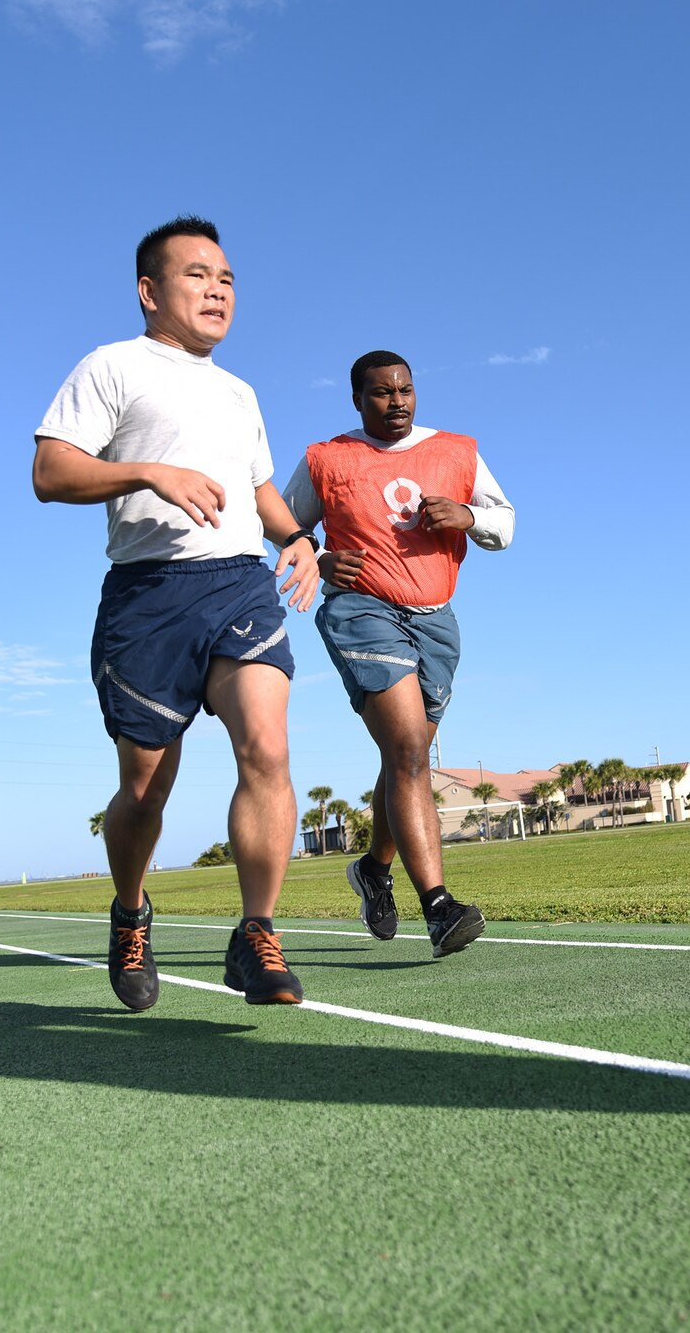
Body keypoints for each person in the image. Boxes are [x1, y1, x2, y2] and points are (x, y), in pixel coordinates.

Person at [32, 216, 320, 1011]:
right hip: (147, 596)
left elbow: (257, 489)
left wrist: (296, 537)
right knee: (144, 793)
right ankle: (131, 910)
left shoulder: (241, 392)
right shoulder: (111, 366)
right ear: (149, 291)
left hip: (237, 585)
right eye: (197, 275)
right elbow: (51, 471)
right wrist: (149, 472)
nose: (218, 288)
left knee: (267, 745)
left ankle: (257, 932)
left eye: (226, 278)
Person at [281, 350, 514, 958]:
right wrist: (319, 557)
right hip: (360, 610)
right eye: (382, 393)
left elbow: (505, 523)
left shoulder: (457, 451)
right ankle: (438, 907)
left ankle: (374, 869)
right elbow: (283, 523)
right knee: (409, 748)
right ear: (358, 400)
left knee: (402, 755)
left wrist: (466, 516)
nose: (398, 402)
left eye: (405, 390)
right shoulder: (328, 459)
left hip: (437, 620)